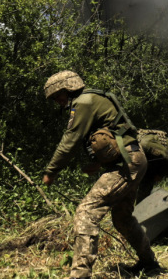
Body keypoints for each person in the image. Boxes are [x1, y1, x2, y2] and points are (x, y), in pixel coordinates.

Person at [41, 70, 160, 278]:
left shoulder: (83, 102)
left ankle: (80, 275)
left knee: (86, 213)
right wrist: (97, 163)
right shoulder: (92, 98)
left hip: (127, 162)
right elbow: (111, 134)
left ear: (69, 88)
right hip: (132, 159)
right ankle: (149, 263)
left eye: (58, 96)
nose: (58, 101)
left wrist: (51, 171)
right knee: (122, 219)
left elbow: (70, 140)